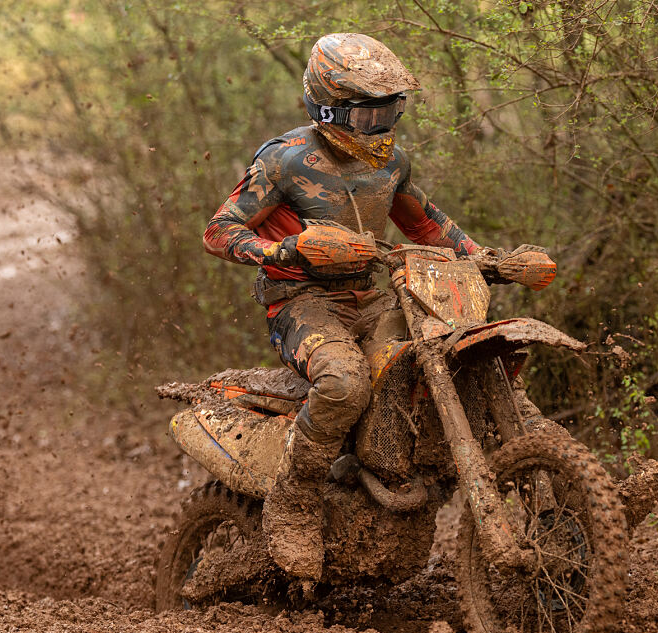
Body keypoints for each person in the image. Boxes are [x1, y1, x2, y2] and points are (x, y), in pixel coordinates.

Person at [202, 33, 486, 584]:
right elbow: (219, 230)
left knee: (443, 354)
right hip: (300, 301)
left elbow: (429, 225)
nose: (380, 126)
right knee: (345, 383)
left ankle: (544, 478)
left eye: (389, 111)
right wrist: (284, 248)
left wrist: (492, 259)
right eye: (367, 114)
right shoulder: (285, 160)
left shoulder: (392, 163)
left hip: (371, 296)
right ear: (328, 108)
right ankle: (295, 498)